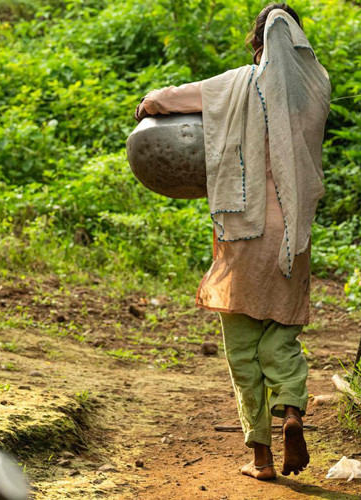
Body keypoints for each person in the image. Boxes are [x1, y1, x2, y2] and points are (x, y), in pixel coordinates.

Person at [134, 3, 329, 481]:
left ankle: (261, 458)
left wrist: (148, 105)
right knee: (281, 332)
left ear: (259, 43)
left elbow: (168, 100)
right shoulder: (315, 89)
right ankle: (292, 414)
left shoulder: (240, 82)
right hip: (292, 235)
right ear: (299, 40)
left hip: (242, 230)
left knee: (241, 344)